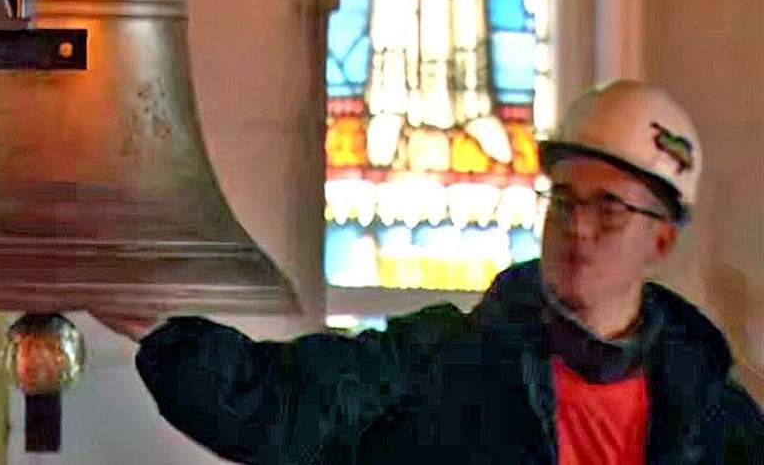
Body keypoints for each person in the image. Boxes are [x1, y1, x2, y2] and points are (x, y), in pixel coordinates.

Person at [95, 80, 764, 464]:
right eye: (564, 199)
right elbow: (281, 404)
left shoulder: (717, 425)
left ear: (662, 238)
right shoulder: (444, 362)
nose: (579, 229)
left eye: (610, 209)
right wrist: (158, 327)